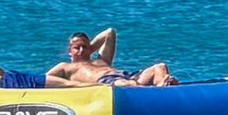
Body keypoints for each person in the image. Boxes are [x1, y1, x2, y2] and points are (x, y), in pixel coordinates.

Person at [46, 28, 176, 88]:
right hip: (109, 82)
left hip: (128, 76)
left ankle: (164, 88)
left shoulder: (101, 60)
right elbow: (45, 79)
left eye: (85, 47)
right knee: (125, 83)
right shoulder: (66, 67)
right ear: (69, 51)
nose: (81, 50)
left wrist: (90, 49)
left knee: (160, 67)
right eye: (77, 47)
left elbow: (109, 33)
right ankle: (156, 92)